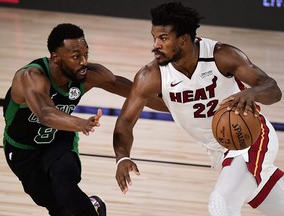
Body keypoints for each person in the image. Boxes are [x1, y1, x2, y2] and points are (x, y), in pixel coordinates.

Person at [113, 2, 284, 216]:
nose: (155, 45)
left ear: (183, 40)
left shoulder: (221, 56)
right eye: (154, 37)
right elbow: (125, 122)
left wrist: (253, 93)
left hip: (251, 138)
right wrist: (122, 156)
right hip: (219, 150)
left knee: (221, 202)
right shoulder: (151, 76)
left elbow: (273, 90)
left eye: (163, 38)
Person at [2, 23, 166, 216]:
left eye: (86, 54)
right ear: (56, 58)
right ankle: (95, 206)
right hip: (22, 149)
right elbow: (45, 114)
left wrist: (175, 107)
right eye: (75, 57)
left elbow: (138, 92)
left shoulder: (88, 75)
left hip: (59, 139)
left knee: (65, 187)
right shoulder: (31, 76)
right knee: (56, 206)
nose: (83, 62)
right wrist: (81, 124)